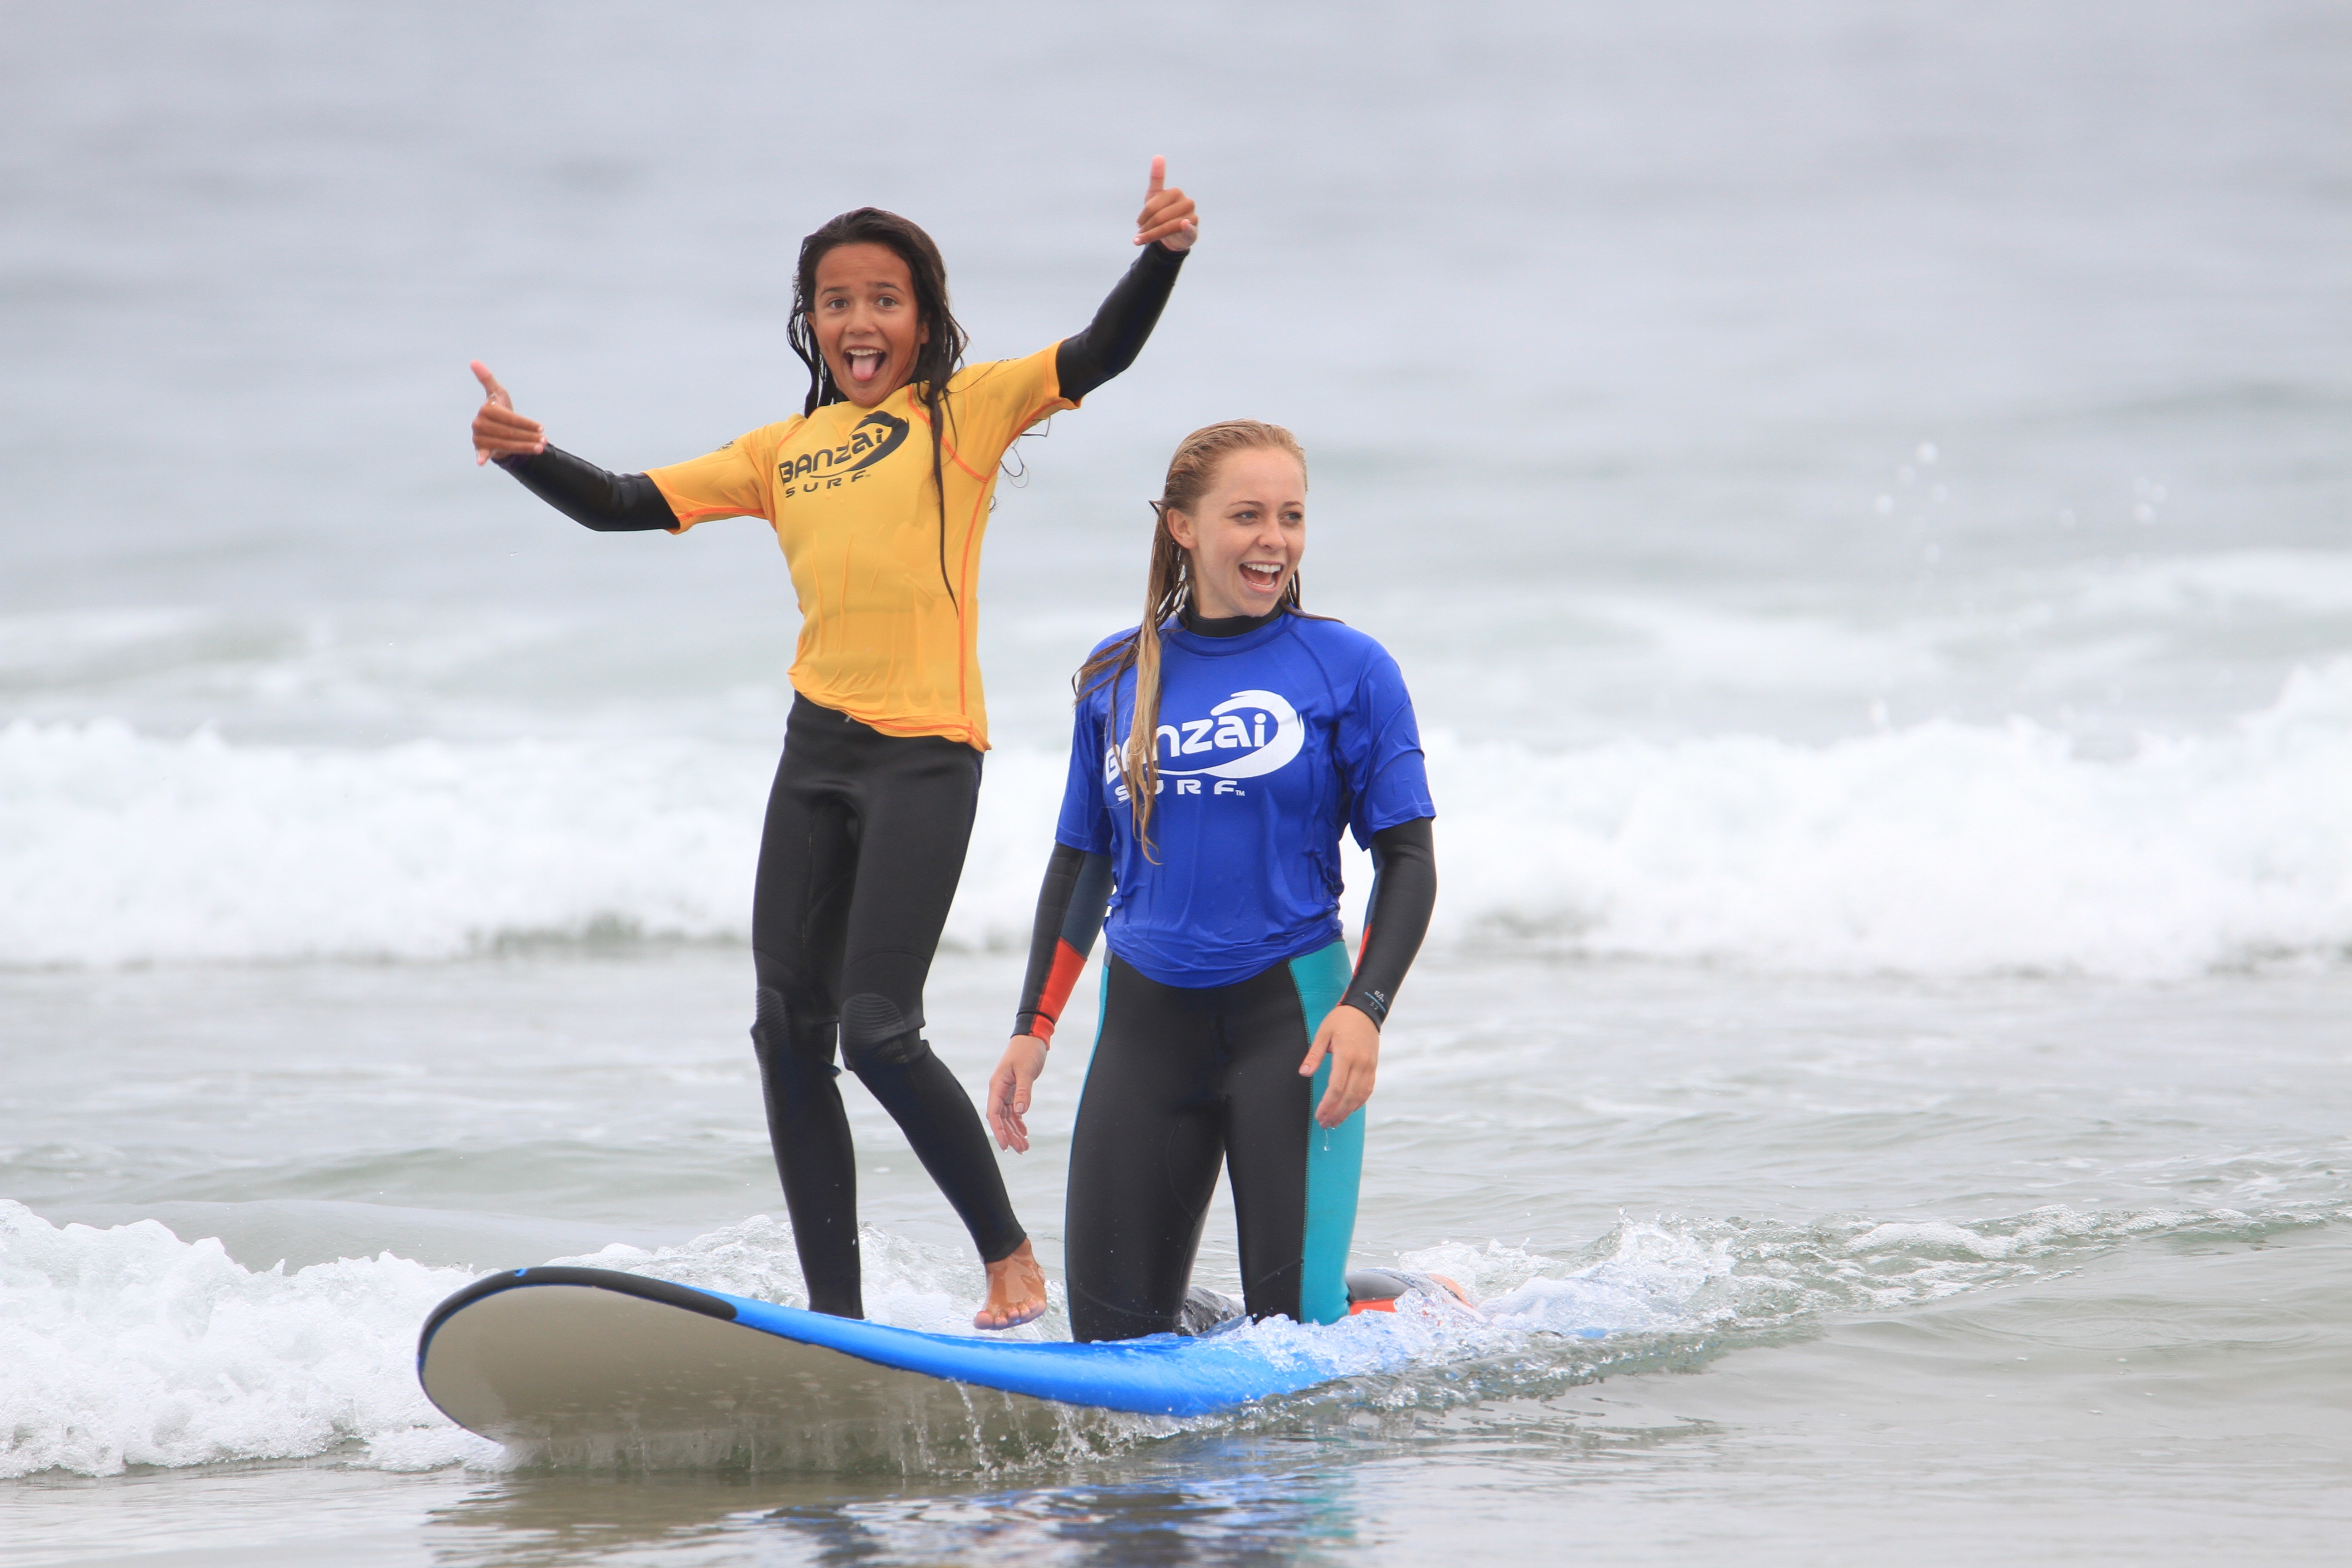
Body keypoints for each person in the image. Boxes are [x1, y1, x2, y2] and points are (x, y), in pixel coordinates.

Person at [466, 160, 1201, 1331]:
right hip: (816, 752)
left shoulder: (965, 416)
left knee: (877, 1027)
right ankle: (836, 1322)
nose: (860, 321)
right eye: (837, 300)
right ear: (810, 321)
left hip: (925, 755)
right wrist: (524, 455)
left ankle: (1009, 1258)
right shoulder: (779, 453)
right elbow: (622, 502)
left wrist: (1161, 255)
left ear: (924, 319)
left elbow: (1099, 355)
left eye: (885, 299)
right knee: (785, 1029)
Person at [985, 420, 1439, 1342]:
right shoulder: (1117, 675)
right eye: (1247, 515)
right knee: (1110, 1344)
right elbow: (1082, 860)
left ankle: (1401, 1300)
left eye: (1292, 517)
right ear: (1183, 527)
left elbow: (1408, 858)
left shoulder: (1349, 670)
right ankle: (1212, 1321)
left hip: (1294, 1030)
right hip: (1147, 1030)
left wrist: (1367, 1008)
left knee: (1296, 1343)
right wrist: (1032, 1032)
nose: (1274, 539)